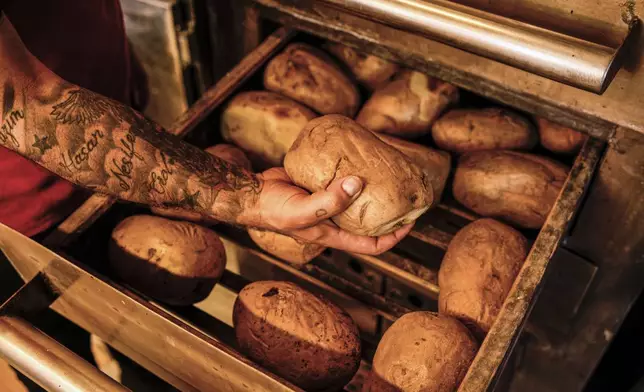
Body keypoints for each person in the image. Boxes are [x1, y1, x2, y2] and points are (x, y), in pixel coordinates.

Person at [0, 1, 412, 389]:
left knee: (150, 349)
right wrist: (247, 197)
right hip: (22, 220)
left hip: (119, 132)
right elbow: (24, 104)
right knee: (56, 351)